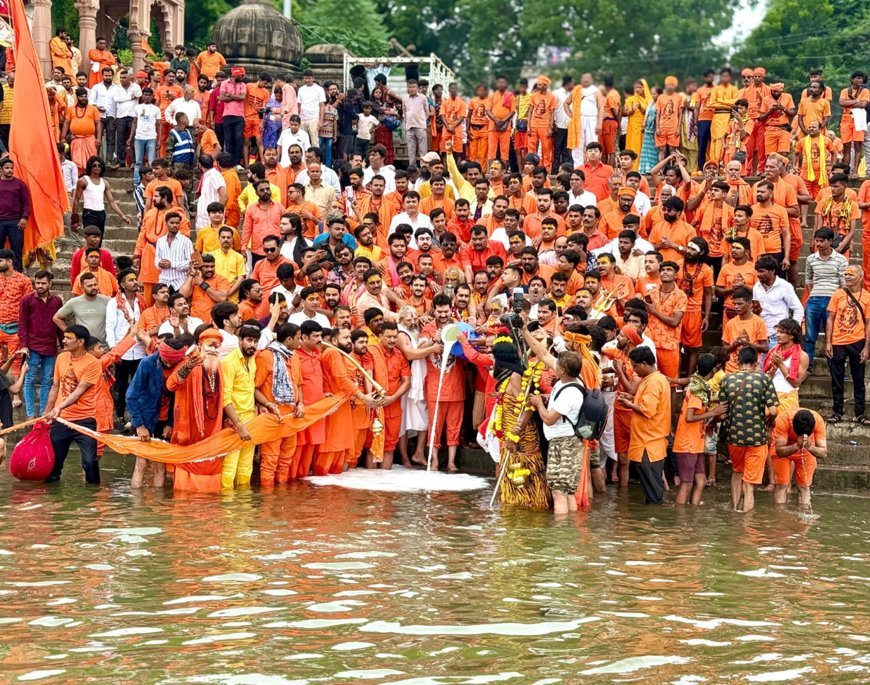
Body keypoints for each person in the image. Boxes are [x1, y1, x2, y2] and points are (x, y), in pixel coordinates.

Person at [719, 346, 779, 512]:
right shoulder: (764, 379)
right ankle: (746, 520)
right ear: (756, 362)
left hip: (734, 437)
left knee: (737, 471)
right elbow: (774, 411)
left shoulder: (727, 379)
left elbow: (722, 413)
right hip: (757, 438)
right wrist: (768, 421)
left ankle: (734, 509)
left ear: (738, 361)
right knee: (749, 484)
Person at [166, 328, 225, 492]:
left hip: (211, 428)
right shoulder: (189, 363)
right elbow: (171, 385)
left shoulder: (218, 368)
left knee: (210, 487)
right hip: (189, 429)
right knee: (185, 489)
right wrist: (188, 367)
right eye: (209, 345)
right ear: (200, 345)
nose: (213, 350)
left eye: (217, 347)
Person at [42, 325, 103, 484]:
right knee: (53, 465)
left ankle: (93, 495)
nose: (63, 341)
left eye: (68, 338)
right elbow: (55, 387)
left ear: (80, 342)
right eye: (64, 337)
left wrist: (58, 407)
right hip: (61, 420)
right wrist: (46, 413)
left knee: (90, 462)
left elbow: (78, 392)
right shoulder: (61, 358)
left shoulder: (93, 363)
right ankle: (51, 496)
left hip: (85, 420)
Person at [530, 350, 589, 514]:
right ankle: (569, 527)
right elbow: (543, 354)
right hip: (567, 442)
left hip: (565, 444)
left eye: (557, 365)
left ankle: (560, 528)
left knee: (558, 491)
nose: (554, 366)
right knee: (567, 491)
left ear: (562, 370)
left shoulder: (569, 392)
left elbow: (549, 419)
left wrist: (538, 403)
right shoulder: (572, 380)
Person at [126, 338, 187, 488]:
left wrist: (170, 423)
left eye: (172, 362)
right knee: (141, 462)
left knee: (161, 463)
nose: (169, 364)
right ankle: (137, 501)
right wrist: (139, 425)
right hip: (145, 419)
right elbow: (131, 395)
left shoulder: (182, 366)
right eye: (166, 361)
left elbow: (177, 398)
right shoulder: (147, 363)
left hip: (165, 420)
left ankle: (159, 501)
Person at [617, 346, 671, 504]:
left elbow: (648, 410)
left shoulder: (653, 382)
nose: (634, 370)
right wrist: (633, 399)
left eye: (635, 366)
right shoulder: (657, 379)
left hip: (648, 445)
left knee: (653, 495)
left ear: (645, 364)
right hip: (651, 443)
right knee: (653, 491)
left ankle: (653, 517)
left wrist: (629, 404)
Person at [672, 353, 727, 505]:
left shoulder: (699, 385)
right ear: (714, 370)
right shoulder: (697, 391)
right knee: (686, 484)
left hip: (695, 443)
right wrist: (713, 413)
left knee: (701, 481)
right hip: (687, 444)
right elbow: (689, 417)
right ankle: (680, 516)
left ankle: (692, 513)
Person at [825, 265, 870, 424]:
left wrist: (867, 346)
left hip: (858, 341)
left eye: (851, 274)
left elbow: (868, 322)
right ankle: (837, 411)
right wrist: (828, 341)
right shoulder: (837, 294)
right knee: (836, 379)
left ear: (860, 277)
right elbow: (830, 318)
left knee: (858, 379)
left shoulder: (867, 297)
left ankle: (860, 413)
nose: (847, 276)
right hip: (838, 341)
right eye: (845, 274)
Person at [219, 324, 260, 489]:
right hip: (235, 421)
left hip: (251, 417)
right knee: (230, 466)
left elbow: (251, 388)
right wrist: (238, 425)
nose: (252, 345)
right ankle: (227, 503)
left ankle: (243, 503)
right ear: (240, 340)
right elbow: (225, 398)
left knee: (246, 466)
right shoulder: (229, 362)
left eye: (255, 341)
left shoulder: (252, 359)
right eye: (249, 340)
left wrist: (266, 404)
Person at [18, 270, 62, 419]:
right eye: (37, 283)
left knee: (47, 380)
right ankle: (30, 414)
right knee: (29, 379)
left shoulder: (57, 301)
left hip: (50, 346)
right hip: (32, 346)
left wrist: (63, 345)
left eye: (43, 283)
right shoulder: (27, 300)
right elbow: (23, 324)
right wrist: (24, 345)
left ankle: (44, 413)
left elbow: (59, 324)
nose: (40, 286)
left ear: (50, 284)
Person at [773, 409, 827, 507]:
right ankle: (780, 514)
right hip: (784, 447)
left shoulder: (818, 421)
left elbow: (823, 453)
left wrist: (810, 447)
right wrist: (797, 445)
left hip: (807, 449)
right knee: (781, 485)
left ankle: (803, 513)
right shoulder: (783, 419)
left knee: (804, 487)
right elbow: (779, 451)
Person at [53, 272, 110, 345]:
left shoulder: (108, 301)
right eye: (89, 286)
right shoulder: (74, 302)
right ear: (82, 287)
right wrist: (71, 333)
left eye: (95, 284)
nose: (93, 287)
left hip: (103, 346)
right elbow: (56, 318)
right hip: (83, 346)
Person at [0, 158, 31, 271]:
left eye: (11, 168)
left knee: (17, 249)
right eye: (7, 168)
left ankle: (18, 273)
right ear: (1, 169)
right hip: (0, 221)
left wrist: (24, 218)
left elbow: (27, 203)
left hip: (16, 222)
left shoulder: (20, 184)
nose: (10, 170)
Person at [61, 88, 102, 173]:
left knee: (91, 160)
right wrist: (63, 137)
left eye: (85, 96)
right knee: (77, 161)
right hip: (76, 139)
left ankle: (90, 177)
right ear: (77, 97)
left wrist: (98, 138)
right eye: (81, 96)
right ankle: (79, 177)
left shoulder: (93, 109)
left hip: (90, 139)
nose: (84, 98)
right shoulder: (71, 109)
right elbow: (66, 123)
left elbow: (98, 123)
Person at [154, 211, 193, 290]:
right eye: (172, 223)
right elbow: (156, 260)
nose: (175, 225)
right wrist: (159, 263)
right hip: (164, 281)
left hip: (180, 282)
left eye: (177, 223)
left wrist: (172, 264)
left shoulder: (186, 241)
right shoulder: (160, 241)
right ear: (166, 223)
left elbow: (190, 263)